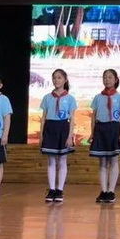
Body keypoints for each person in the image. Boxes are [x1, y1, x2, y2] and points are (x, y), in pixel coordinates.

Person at [89, 69, 120, 203]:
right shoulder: (98, 97)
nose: (107, 80)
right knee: (103, 162)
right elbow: (93, 116)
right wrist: (92, 132)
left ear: (116, 80)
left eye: (110, 77)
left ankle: (111, 191)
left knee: (114, 160)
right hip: (101, 129)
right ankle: (104, 190)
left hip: (114, 129)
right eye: (105, 77)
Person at [39, 69, 76, 203]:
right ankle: (52, 189)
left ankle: (59, 189)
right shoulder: (47, 97)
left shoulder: (70, 98)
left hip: (63, 128)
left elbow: (72, 119)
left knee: (62, 160)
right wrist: (41, 135)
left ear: (65, 80)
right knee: (51, 161)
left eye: (59, 78)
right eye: (54, 78)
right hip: (50, 128)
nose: (56, 80)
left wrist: (70, 136)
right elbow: (43, 118)